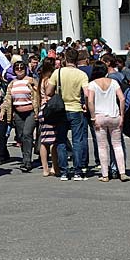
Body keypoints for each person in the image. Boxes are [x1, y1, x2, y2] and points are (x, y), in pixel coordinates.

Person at [45, 47, 90, 181]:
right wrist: (86, 104)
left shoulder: (58, 72)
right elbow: (87, 93)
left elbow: (48, 92)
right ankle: (77, 171)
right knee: (77, 141)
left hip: (60, 110)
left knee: (61, 141)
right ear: (77, 59)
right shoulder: (81, 74)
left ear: (65, 58)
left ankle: (64, 171)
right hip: (76, 109)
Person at [86, 60, 129, 182]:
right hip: (114, 115)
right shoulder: (114, 82)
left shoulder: (92, 84)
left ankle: (105, 174)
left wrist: (93, 116)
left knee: (102, 146)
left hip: (100, 116)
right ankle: (122, 172)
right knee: (117, 145)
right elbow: (122, 98)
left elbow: (90, 101)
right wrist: (122, 115)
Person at [0, 60, 39, 173]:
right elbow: (7, 99)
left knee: (27, 134)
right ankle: (25, 158)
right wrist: (3, 111)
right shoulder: (12, 83)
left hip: (30, 112)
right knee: (21, 136)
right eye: (17, 68)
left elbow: (39, 94)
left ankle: (27, 162)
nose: (19, 70)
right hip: (18, 113)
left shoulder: (31, 81)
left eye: (22, 68)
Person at [36, 58, 60, 177]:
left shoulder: (41, 79)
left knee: (44, 140)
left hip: (43, 109)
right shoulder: (49, 80)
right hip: (50, 110)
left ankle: (46, 168)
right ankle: (54, 167)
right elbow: (50, 94)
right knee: (53, 142)